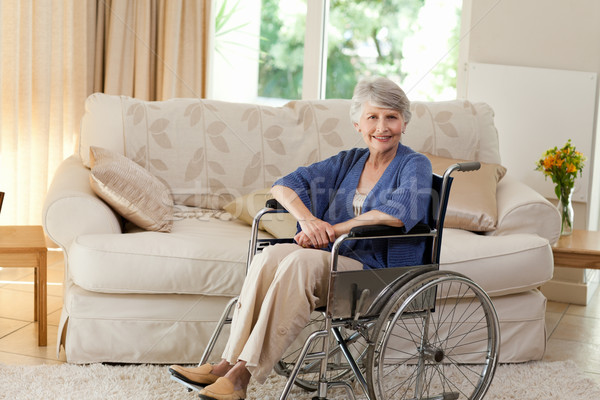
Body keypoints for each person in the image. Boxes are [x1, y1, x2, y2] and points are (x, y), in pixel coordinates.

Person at [169, 76, 432, 400]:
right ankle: (226, 364)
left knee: (299, 262)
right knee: (270, 257)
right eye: (372, 117)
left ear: (404, 122)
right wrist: (307, 220)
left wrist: (331, 230)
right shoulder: (350, 161)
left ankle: (241, 376)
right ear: (357, 123)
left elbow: (400, 210)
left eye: (391, 116)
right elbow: (284, 184)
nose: (383, 126)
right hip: (335, 258)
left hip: (378, 270)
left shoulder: (414, 164)